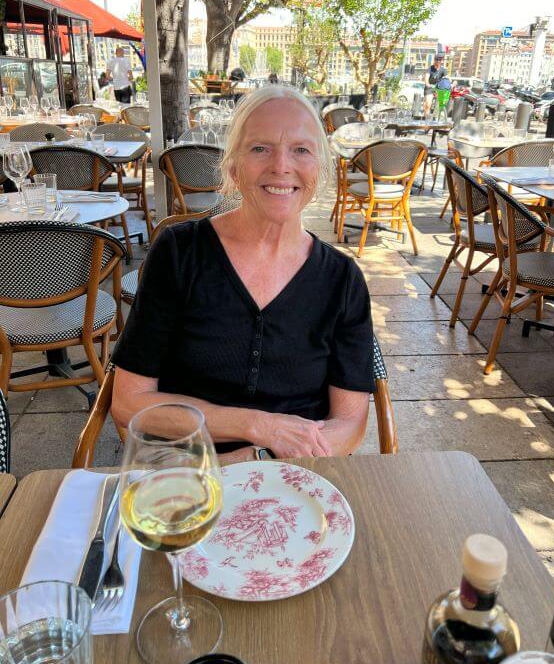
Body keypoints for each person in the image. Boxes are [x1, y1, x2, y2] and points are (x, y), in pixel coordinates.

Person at [111, 86, 374, 463]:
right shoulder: (179, 252)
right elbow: (129, 402)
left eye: (301, 150)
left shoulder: (342, 279)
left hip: (295, 470)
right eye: (260, 148)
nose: (281, 166)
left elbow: (350, 423)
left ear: (320, 168)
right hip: (190, 470)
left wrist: (262, 458)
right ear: (233, 166)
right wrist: (256, 427)